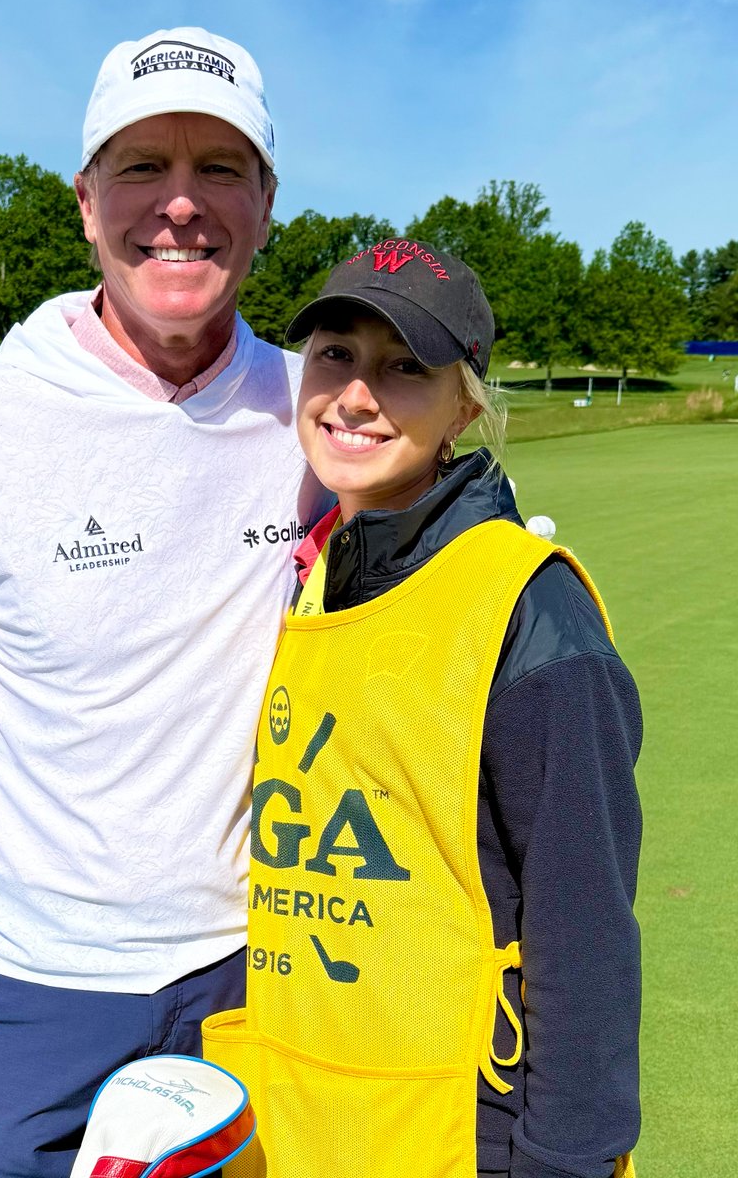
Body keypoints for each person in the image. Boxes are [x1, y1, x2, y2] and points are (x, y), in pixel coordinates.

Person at [0, 27, 328, 1178]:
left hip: (263, 971)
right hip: (21, 987)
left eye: (218, 169)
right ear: (84, 197)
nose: (179, 207)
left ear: (265, 200)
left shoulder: (318, 411)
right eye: (142, 168)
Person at [203, 240, 642, 1178]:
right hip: (300, 1107)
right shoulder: (323, 576)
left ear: (465, 406)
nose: (358, 394)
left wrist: (568, 1163)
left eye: (405, 368)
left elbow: (588, 932)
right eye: (336, 354)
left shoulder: (529, 609)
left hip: (456, 1129)